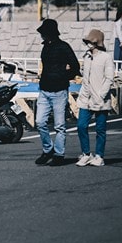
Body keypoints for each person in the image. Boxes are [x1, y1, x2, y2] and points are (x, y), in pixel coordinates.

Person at [34, 19, 81, 166]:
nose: (41, 35)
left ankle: (59, 154)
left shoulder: (63, 47)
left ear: (50, 33)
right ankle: (48, 150)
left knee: (59, 125)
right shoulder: (45, 47)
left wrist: (63, 77)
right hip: (44, 90)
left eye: (43, 33)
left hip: (60, 91)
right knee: (39, 122)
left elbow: (75, 66)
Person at [76, 28, 113, 167]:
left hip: (101, 99)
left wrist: (101, 94)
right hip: (86, 97)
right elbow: (85, 78)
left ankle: (99, 156)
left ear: (97, 42)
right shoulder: (86, 57)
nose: (88, 44)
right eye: (87, 41)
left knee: (100, 129)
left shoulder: (106, 57)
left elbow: (109, 78)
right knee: (81, 126)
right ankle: (86, 154)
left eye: (90, 41)